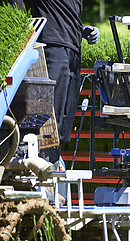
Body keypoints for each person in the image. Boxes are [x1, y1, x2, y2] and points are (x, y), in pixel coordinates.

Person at [8, 0, 99, 148]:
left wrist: (81, 29)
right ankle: (36, 159)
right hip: (51, 47)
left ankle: (54, 159)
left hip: (73, 49)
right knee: (48, 117)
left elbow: (63, 12)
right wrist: (20, 29)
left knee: (65, 118)